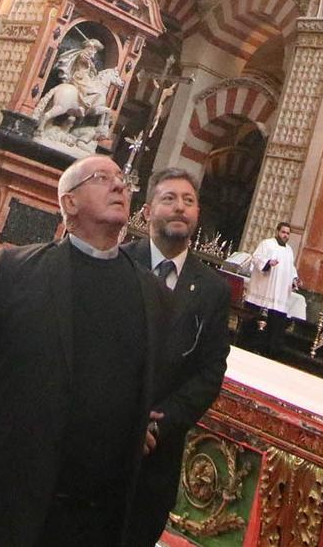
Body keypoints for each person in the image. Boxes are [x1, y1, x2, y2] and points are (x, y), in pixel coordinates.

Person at [0, 155, 167, 547]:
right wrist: (5, 439)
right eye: (102, 178)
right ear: (70, 203)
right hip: (4, 496)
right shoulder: (17, 270)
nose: (119, 186)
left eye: (122, 180)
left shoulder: (152, 292)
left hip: (91, 515)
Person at [122, 169, 232, 547]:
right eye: (170, 199)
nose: (180, 208)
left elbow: (210, 371)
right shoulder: (118, 263)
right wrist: (123, 418)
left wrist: (156, 426)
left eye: (188, 201)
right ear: (148, 209)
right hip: (99, 437)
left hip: (158, 453)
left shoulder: (213, 290)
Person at [242, 222, 301, 355]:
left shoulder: (289, 251)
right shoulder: (267, 244)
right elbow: (256, 258)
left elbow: (291, 269)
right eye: (283, 232)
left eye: (287, 233)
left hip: (278, 297)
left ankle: (269, 352)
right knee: (252, 327)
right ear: (277, 232)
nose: (285, 235)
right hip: (263, 292)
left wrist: (294, 279)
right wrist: (267, 263)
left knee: (274, 328)